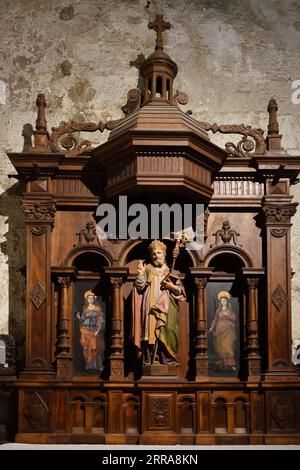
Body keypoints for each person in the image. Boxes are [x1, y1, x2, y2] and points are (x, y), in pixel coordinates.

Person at [132, 240, 186, 366]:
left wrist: (171, 287)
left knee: (169, 329)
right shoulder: (147, 269)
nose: (156, 256)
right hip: (150, 305)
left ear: (165, 254)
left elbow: (180, 293)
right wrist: (140, 274)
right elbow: (139, 287)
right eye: (153, 254)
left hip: (168, 307)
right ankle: (150, 359)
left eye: (159, 253)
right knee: (149, 331)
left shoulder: (171, 271)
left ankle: (167, 359)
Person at [209, 290, 237, 371]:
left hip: (228, 330)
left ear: (227, 302)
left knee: (227, 347)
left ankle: (231, 364)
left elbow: (234, 318)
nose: (223, 302)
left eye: (224, 301)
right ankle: (222, 363)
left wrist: (227, 315)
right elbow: (215, 319)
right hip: (218, 330)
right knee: (220, 347)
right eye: (222, 301)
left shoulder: (229, 310)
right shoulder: (218, 310)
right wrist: (211, 327)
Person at [77, 290, 105, 371]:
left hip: (94, 330)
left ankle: (97, 366)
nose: (90, 300)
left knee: (95, 348)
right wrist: (80, 318)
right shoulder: (85, 308)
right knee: (86, 348)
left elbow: (101, 320)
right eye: (89, 298)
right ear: (87, 299)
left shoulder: (98, 309)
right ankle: (88, 366)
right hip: (85, 330)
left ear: (94, 299)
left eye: (92, 298)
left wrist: (97, 330)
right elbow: (83, 319)